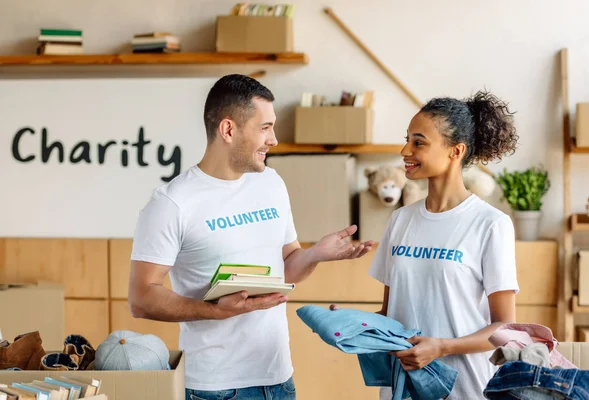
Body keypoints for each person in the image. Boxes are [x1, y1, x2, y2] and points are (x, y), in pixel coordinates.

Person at [127, 74, 375, 400]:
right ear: (228, 130)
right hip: (214, 388)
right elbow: (141, 298)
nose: (273, 139)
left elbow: (284, 270)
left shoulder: (271, 184)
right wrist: (213, 310)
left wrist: (314, 254)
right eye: (265, 127)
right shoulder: (171, 202)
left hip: (278, 378)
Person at [364, 90, 520, 399]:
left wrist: (441, 347)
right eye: (407, 139)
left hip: (466, 387)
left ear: (456, 151)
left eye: (418, 142)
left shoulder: (490, 224)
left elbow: (505, 328)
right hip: (402, 387)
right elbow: (390, 312)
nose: (405, 150)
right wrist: (353, 324)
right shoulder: (400, 220)